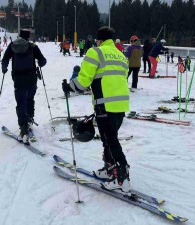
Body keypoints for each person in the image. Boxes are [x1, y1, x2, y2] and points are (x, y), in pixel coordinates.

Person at [62, 27, 131, 193]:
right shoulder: (121, 55)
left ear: (98, 40)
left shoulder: (96, 52)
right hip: (120, 105)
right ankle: (110, 167)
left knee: (110, 140)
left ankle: (122, 177)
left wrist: (69, 86)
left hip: (104, 104)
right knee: (108, 139)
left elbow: (83, 81)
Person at [1, 28, 47, 144]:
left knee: (20, 102)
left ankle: (23, 126)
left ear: (19, 35)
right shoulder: (32, 47)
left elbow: (5, 58)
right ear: (28, 36)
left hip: (18, 79)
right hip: (31, 79)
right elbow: (43, 61)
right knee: (29, 98)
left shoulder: (12, 45)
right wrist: (39, 63)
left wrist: (4, 68)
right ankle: (30, 118)